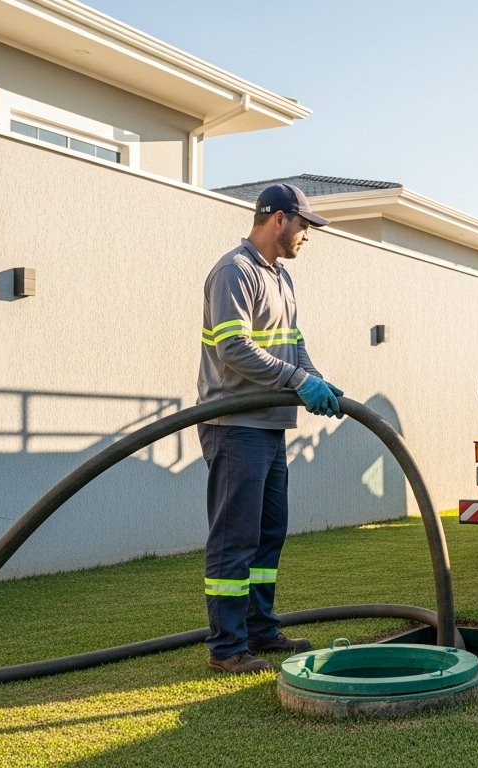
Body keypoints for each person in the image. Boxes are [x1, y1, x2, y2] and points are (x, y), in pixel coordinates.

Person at [196, 183, 344, 674]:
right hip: (235, 424)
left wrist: (313, 376)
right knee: (234, 539)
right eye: (304, 226)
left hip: (270, 426)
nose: (308, 236)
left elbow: (294, 342)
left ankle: (260, 629)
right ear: (279, 219)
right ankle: (228, 649)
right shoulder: (234, 272)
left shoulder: (280, 277)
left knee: (267, 535)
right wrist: (296, 380)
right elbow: (232, 347)